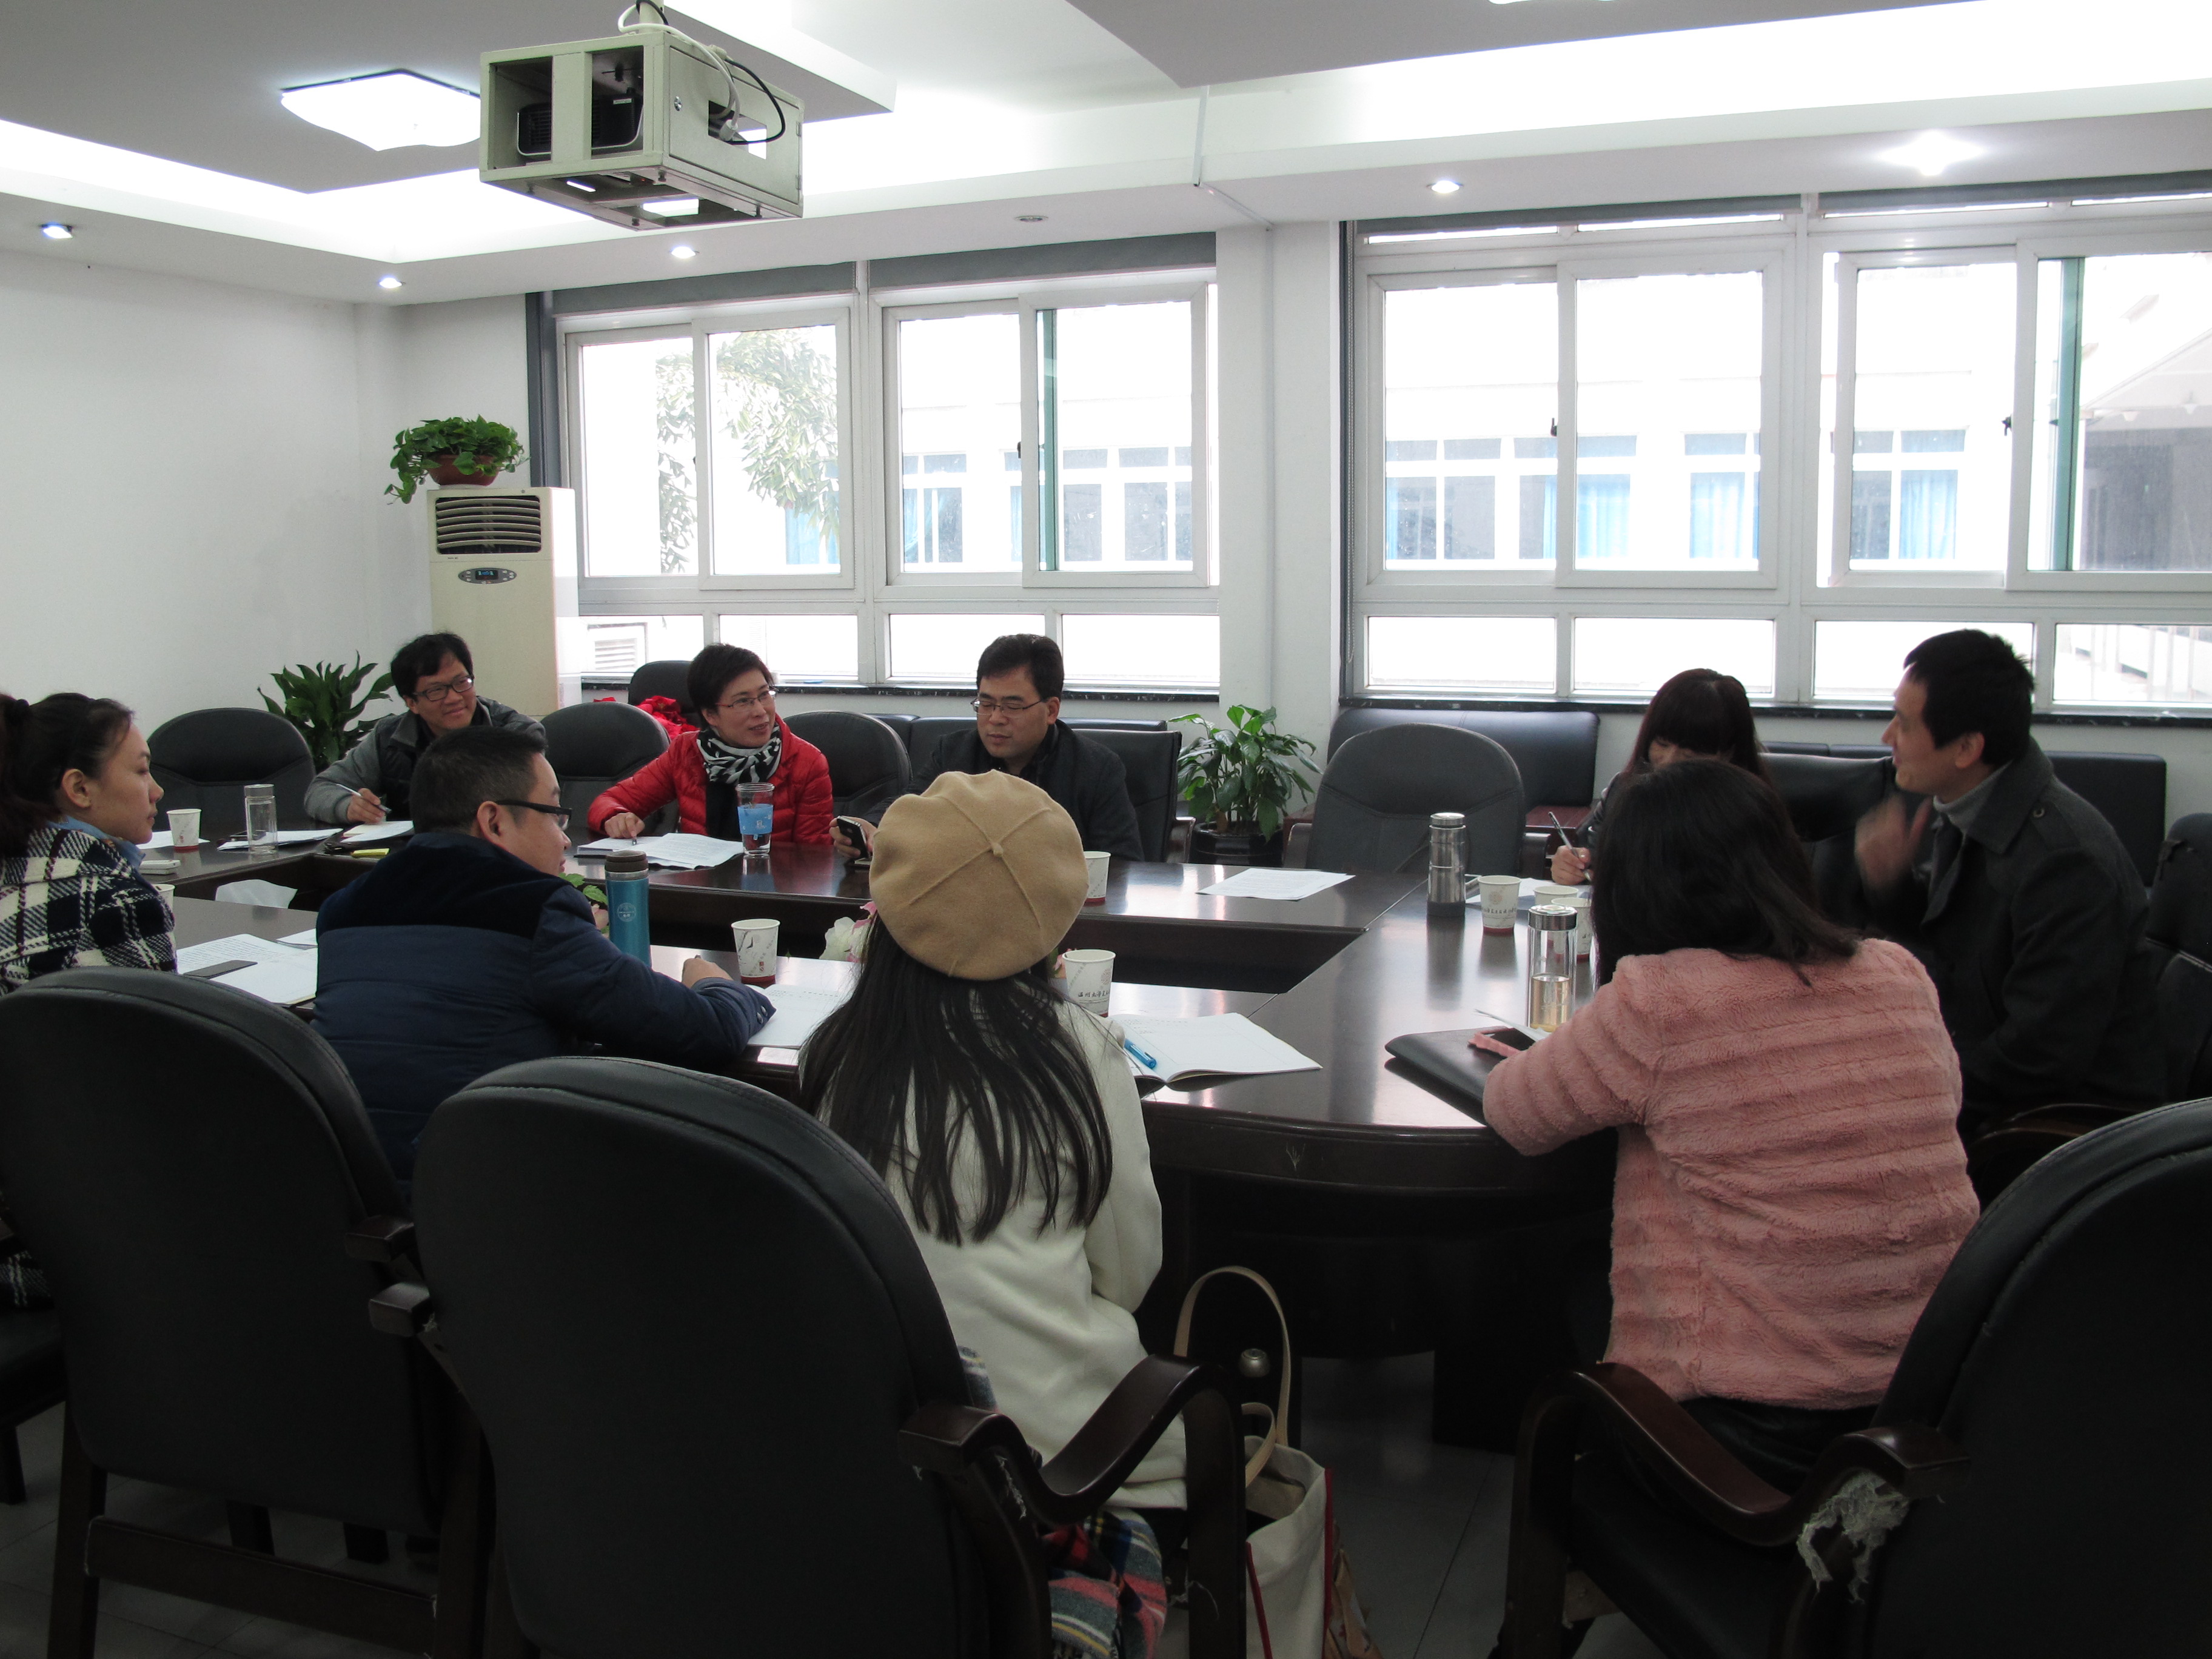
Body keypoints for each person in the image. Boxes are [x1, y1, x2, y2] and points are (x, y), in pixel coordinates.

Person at [1485, 760, 1977, 1490]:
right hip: (1931, 1405)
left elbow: (1516, 1114)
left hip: (1748, 1440)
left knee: (1565, 1263)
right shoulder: (1899, 973)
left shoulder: (1660, 1001)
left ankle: (1590, 1489)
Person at [799, 769, 1179, 1507]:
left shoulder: (835, 1049)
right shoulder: (1082, 1050)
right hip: (1053, 1461)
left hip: (872, 1444)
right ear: (1050, 920)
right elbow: (1130, 1275)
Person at [313, 725, 771, 1177]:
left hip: (355, 1189)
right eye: (554, 814)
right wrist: (718, 985)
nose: (566, 839)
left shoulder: (343, 910)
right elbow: (707, 1032)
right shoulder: (533, 911)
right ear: (494, 821)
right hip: (477, 1194)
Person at [1853, 629, 2162, 1120]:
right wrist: (1892, 884)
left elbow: (2040, 1058)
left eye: (1904, 724)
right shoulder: (1971, 805)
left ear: (1965, 748)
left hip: (2062, 1123)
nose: (1887, 737)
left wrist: (1910, 1088)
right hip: (1982, 1070)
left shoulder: (2065, 862)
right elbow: (1955, 940)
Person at [833, 634, 1143, 862]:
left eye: (1012, 706)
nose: (995, 719)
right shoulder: (954, 752)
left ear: (1051, 710)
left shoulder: (1096, 768)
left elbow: (1122, 865)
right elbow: (910, 805)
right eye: (986, 703)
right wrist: (870, 825)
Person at [0, 694, 173, 993]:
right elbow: (162, 1021)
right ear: (80, 788)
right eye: (142, 771)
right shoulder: (120, 904)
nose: (157, 791)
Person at [586, 644, 832, 846]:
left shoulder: (806, 762)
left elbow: (814, 857)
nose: (761, 711)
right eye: (743, 702)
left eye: (764, 695)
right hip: (701, 882)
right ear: (710, 715)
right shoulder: (686, 752)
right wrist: (615, 817)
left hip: (774, 886)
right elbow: (608, 802)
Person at [1550, 668, 1769, 884]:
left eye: (1691, 754)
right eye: (1662, 744)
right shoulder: (1623, 790)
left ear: (1729, 753)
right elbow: (1590, 857)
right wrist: (1571, 866)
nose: (1669, 761)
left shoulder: (1747, 813)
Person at [305, 632, 545, 826]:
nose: (454, 698)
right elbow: (320, 789)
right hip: (416, 857)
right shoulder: (389, 739)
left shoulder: (515, 735)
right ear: (412, 703)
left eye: (461, 682)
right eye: (436, 690)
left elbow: (533, 814)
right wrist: (348, 806)